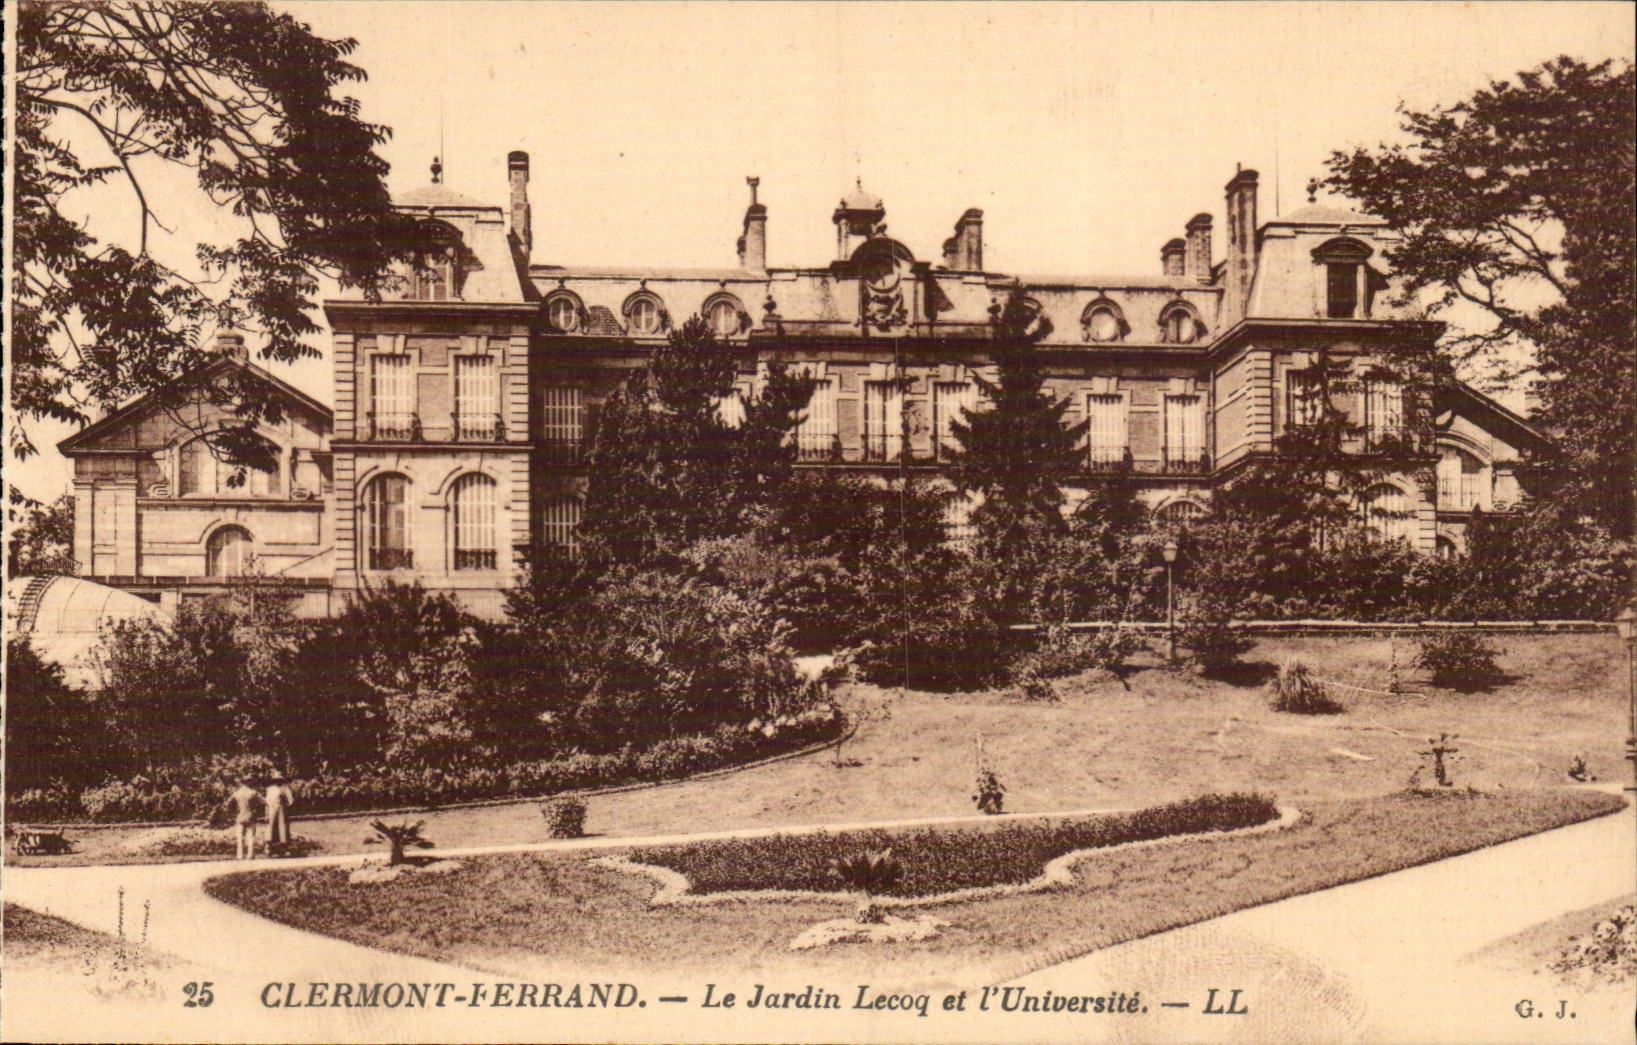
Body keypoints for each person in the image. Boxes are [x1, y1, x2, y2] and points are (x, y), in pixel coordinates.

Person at [264, 771, 294, 855]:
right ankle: (268, 847)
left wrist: (285, 801)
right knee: (270, 827)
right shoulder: (270, 789)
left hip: (282, 809)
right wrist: (266, 814)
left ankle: (284, 848)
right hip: (272, 809)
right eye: (276, 780)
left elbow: (291, 800)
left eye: (279, 780)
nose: (278, 781)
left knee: (283, 827)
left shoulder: (285, 789)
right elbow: (267, 802)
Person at [229, 777, 260, 860]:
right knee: (251, 836)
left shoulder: (237, 793)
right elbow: (263, 801)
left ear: (242, 783)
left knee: (240, 836)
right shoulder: (253, 792)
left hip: (240, 816)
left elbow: (228, 802)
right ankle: (250, 855)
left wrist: (235, 810)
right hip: (251, 816)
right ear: (249, 782)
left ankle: (240, 855)